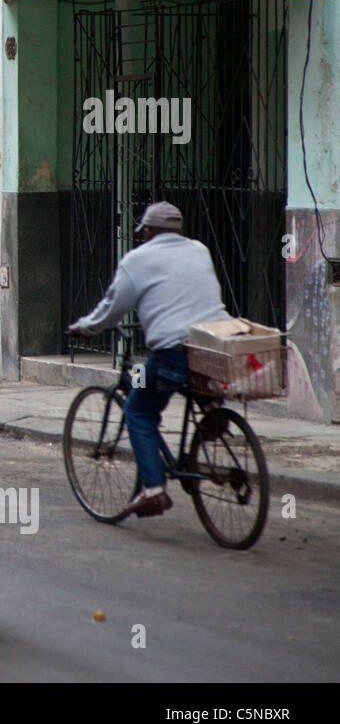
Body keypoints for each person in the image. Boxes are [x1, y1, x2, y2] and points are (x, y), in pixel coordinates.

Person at [69, 201, 231, 518]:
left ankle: (154, 490)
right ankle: (212, 409)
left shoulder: (138, 259)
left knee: (138, 411)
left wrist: (86, 329)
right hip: (213, 347)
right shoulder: (200, 250)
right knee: (151, 376)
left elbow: (112, 306)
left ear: (148, 231)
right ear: (178, 230)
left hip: (171, 353)